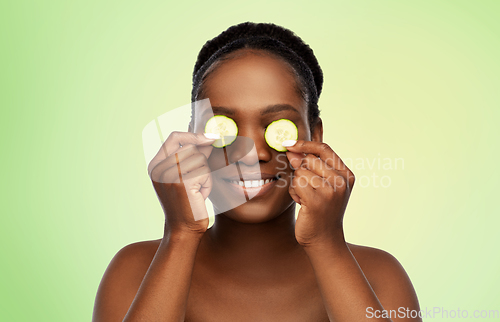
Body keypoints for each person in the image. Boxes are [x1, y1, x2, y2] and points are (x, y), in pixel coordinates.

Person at [93, 22, 421, 321]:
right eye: (225, 129)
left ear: (315, 136)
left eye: (277, 127)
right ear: (191, 137)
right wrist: (179, 234)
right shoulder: (135, 270)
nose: (252, 154)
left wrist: (327, 243)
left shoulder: (378, 275)